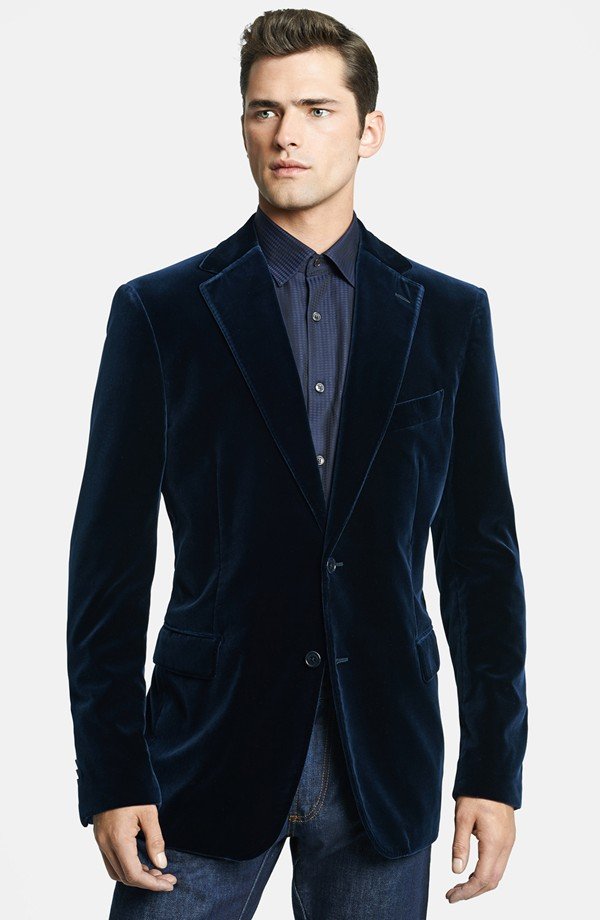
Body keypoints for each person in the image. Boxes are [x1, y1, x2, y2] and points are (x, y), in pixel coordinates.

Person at [66, 9, 528, 919]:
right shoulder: (162, 313)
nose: (286, 135)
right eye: (264, 110)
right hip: (203, 751)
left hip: (382, 755)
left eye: (317, 109)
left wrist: (493, 767)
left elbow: (481, 557)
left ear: (368, 130)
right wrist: (111, 772)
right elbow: (108, 564)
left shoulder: (447, 316)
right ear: (243, 125)